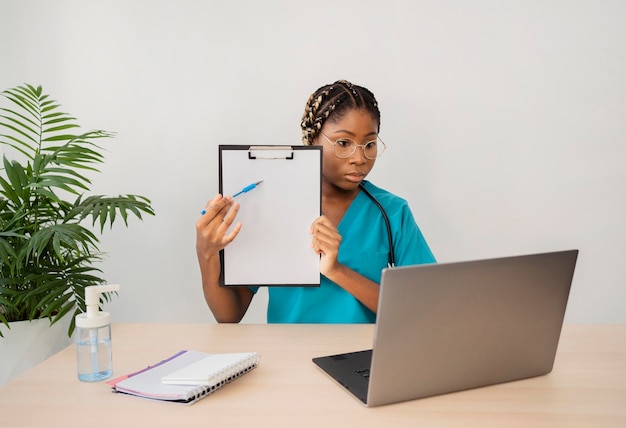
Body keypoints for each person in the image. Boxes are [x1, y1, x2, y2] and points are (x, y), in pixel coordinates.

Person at [196, 80, 435, 323]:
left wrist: (336, 270)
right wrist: (206, 253)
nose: (359, 158)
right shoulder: (273, 207)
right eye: (344, 143)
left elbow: (420, 309)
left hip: (365, 358)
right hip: (290, 357)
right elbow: (229, 315)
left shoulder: (392, 212)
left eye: (369, 144)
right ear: (312, 140)